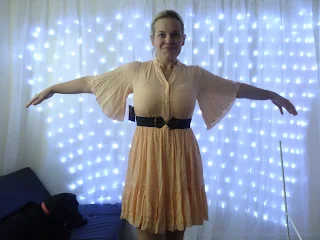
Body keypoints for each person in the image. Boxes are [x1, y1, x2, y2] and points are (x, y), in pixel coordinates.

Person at [26, 10, 298, 240]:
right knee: (147, 225)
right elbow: (90, 82)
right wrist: (53, 88)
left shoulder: (195, 75)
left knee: (176, 228)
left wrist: (272, 94)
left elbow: (235, 88)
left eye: (176, 34)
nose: (169, 39)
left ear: (184, 39)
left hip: (182, 154)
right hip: (147, 155)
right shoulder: (135, 70)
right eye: (163, 34)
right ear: (152, 39)